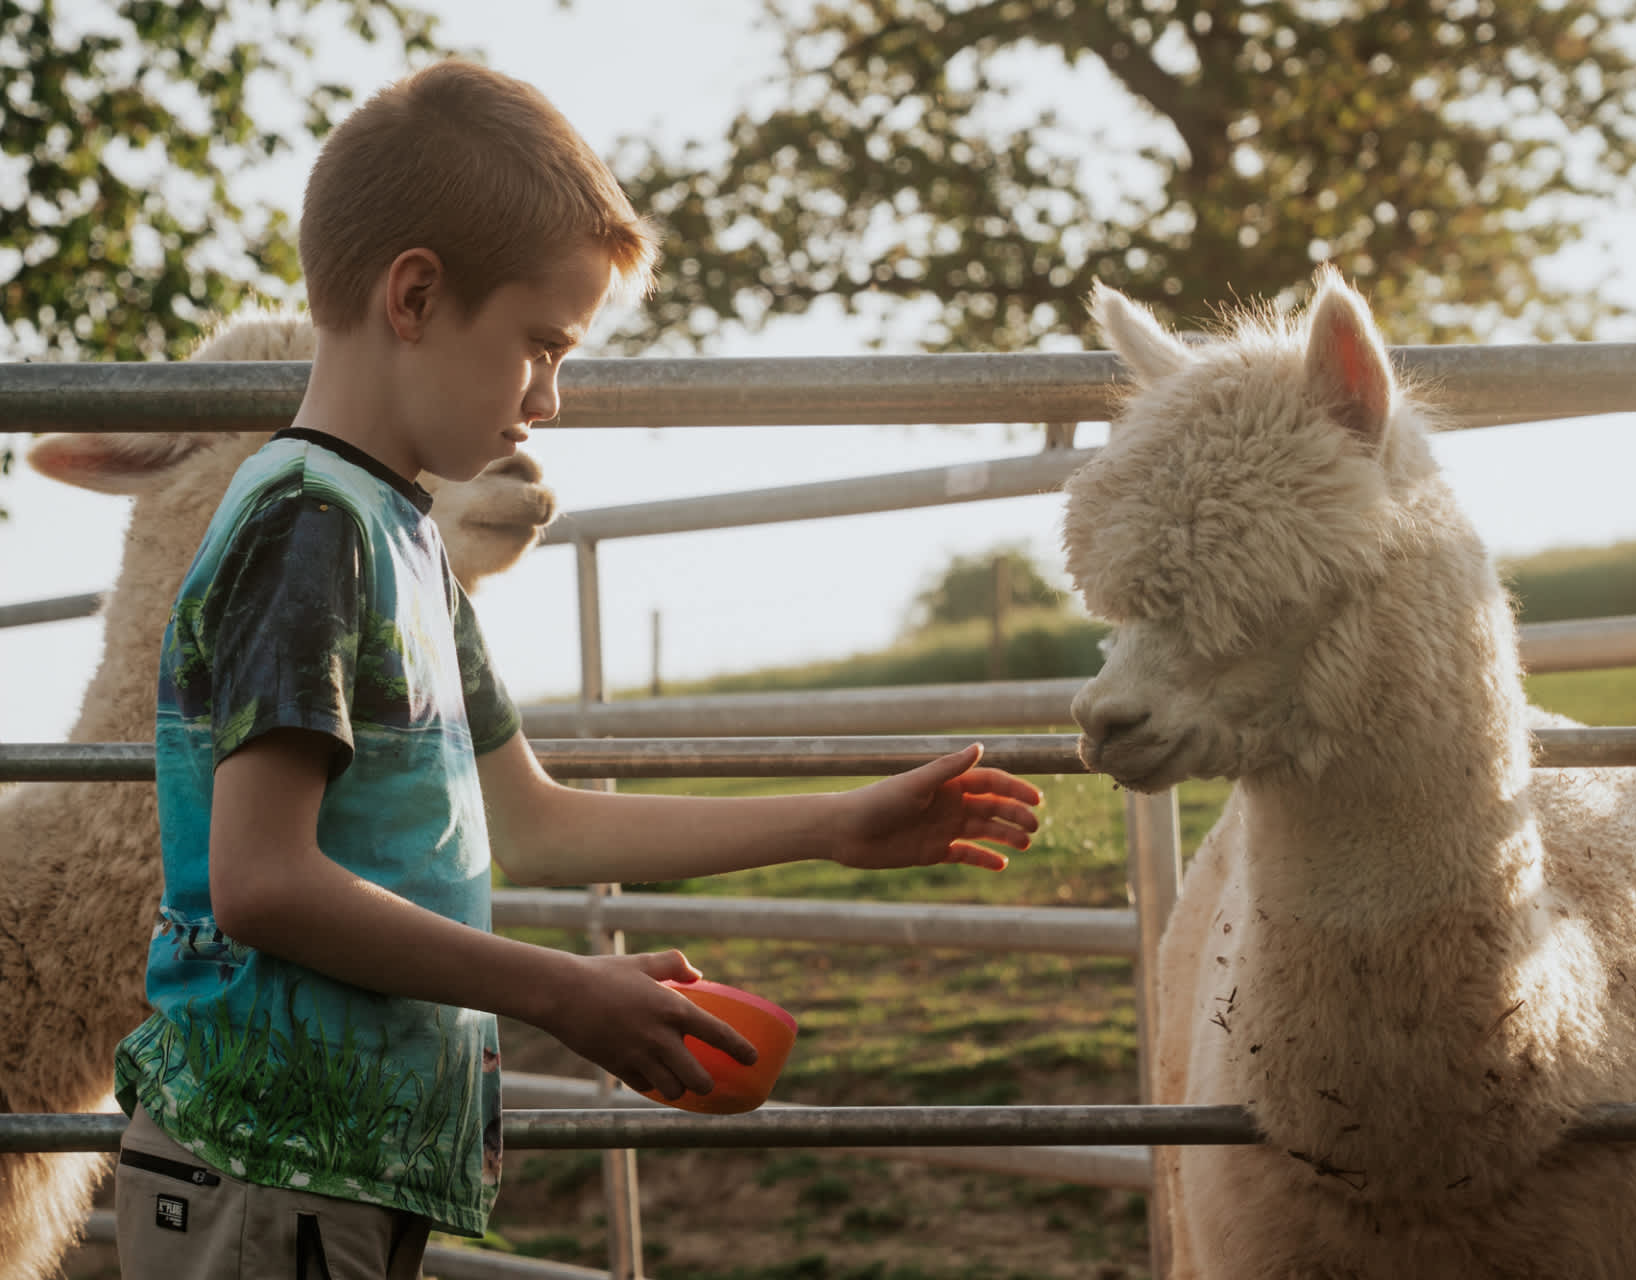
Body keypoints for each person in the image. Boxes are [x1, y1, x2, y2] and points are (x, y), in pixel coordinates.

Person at [110, 58, 1044, 1280]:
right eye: (540, 345)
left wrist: (836, 824)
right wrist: (558, 990)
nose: (551, 395)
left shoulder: (401, 538)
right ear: (415, 296)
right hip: (262, 1169)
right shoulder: (306, 525)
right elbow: (263, 881)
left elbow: (532, 821)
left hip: (326, 1170)